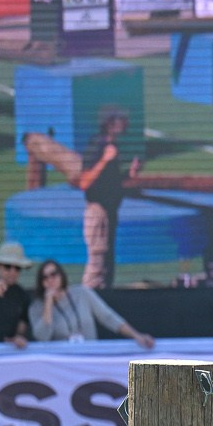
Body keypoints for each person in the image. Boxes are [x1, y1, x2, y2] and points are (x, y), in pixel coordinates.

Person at [29, 258, 155, 349]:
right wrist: (48, 303)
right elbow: (42, 337)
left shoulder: (82, 293)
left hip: (89, 354)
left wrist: (137, 336)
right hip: (61, 360)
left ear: (61, 275)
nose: (50, 280)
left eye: (53, 274)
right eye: (45, 278)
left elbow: (108, 317)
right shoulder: (36, 307)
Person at [76, 108, 138, 290]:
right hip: (98, 213)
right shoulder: (97, 145)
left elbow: (110, 182)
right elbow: (84, 182)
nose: (126, 124)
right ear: (110, 124)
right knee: (97, 266)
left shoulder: (113, 147)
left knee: (107, 266)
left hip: (110, 213)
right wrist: (104, 159)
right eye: (121, 120)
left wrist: (130, 173)